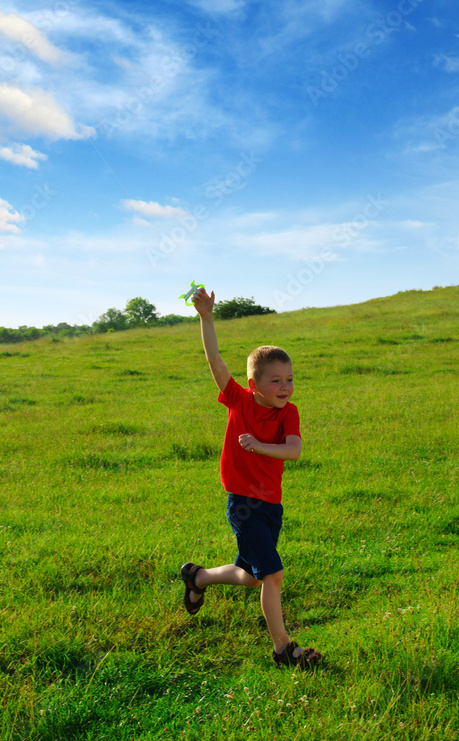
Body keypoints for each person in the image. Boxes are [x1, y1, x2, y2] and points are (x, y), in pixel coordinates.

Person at [180, 286, 321, 668]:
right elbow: (217, 365)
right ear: (254, 384)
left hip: (270, 506)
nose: (285, 387)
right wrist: (206, 318)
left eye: (289, 379)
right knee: (273, 575)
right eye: (275, 381)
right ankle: (284, 649)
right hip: (243, 504)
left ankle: (198, 578)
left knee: (252, 577)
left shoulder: (287, 414)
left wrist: (259, 445)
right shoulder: (238, 400)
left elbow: (294, 451)